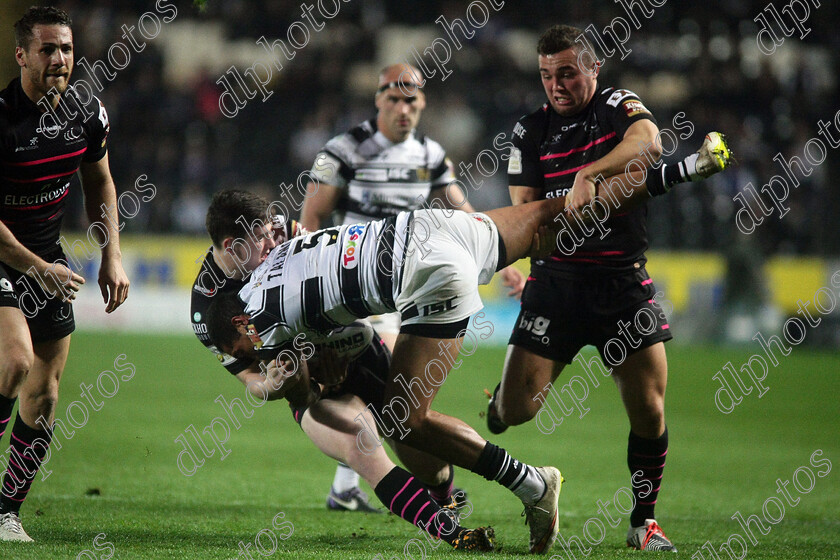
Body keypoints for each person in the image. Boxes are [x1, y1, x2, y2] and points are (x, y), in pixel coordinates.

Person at [204, 136, 731, 553]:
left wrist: (287, 382)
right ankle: (683, 170)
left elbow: (298, 381)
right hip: (437, 226)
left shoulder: (257, 311)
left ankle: (531, 485)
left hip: (431, 274)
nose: (273, 239)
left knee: (401, 419)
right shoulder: (290, 239)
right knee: (558, 213)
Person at [485, 24, 732, 552]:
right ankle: (499, 407)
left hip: (622, 283)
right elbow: (531, 219)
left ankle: (643, 522)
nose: (557, 84)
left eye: (569, 72)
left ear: (594, 69)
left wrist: (587, 173)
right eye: (547, 75)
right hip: (556, 284)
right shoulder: (529, 132)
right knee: (516, 411)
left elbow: (648, 141)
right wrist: (577, 204)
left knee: (649, 407)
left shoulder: (617, 105)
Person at [191, 190, 493, 551]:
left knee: (420, 444)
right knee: (360, 444)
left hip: (356, 348)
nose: (273, 242)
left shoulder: (286, 233)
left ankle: (445, 495)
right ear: (231, 245)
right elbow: (251, 380)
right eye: (261, 238)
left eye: (272, 230)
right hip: (307, 385)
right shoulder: (206, 310)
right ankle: (453, 535)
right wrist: (275, 383)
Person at [0, 7, 130, 542]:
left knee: (46, 394)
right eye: (49, 49)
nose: (60, 59)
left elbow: (100, 184)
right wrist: (38, 269)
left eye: (67, 49)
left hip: (46, 258)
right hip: (8, 255)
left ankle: (6, 511)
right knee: (15, 362)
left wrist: (111, 255)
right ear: (22, 55)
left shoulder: (86, 112)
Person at [299, 63, 521, 351]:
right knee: (380, 370)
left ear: (422, 101)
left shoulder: (431, 155)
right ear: (379, 100)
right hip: (351, 281)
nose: (403, 109)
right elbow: (311, 218)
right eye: (394, 99)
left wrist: (500, 254)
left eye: (410, 99)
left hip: (403, 284)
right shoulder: (340, 150)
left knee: (381, 381)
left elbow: (463, 211)